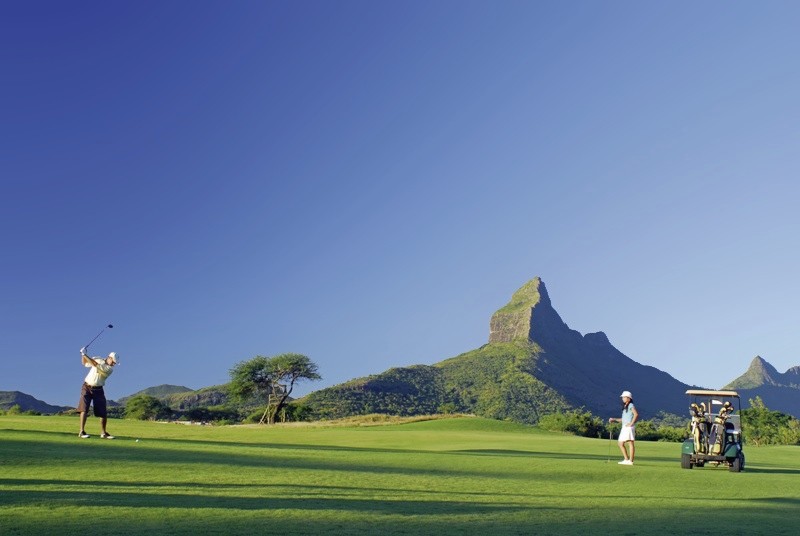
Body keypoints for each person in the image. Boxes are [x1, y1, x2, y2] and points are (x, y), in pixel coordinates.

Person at [77, 346, 118, 439]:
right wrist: (82, 355)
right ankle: (81, 431)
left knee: (102, 411)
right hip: (86, 387)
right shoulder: (98, 358)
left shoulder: (109, 369)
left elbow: (95, 364)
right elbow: (85, 363)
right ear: (109, 358)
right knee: (84, 408)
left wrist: (84, 354)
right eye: (113, 362)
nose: (114, 364)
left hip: (98, 389)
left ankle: (103, 433)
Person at [608, 390, 638, 465]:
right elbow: (623, 419)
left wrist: (631, 423)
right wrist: (614, 419)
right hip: (625, 427)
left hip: (628, 427)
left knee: (630, 442)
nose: (623, 398)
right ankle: (626, 459)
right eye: (623, 397)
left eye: (624, 397)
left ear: (629, 398)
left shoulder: (630, 405)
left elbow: (636, 414)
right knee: (620, 443)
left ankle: (630, 461)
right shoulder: (625, 407)